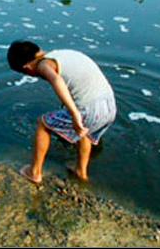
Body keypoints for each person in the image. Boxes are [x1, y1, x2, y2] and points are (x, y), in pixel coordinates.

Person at [7, 41, 117, 182]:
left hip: (89, 110)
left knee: (42, 123)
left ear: (27, 67)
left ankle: (34, 172)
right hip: (109, 106)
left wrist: (75, 114)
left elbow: (56, 80)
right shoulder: (62, 54)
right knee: (85, 133)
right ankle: (80, 172)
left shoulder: (43, 65)